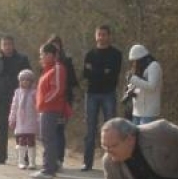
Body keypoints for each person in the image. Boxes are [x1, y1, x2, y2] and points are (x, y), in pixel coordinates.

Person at [81, 25, 122, 170]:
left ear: (109, 36)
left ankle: (112, 163)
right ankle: (87, 163)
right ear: (95, 36)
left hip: (108, 93)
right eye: (99, 34)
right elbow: (86, 75)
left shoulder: (116, 54)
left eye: (104, 34)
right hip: (91, 93)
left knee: (111, 128)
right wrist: (103, 71)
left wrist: (96, 71)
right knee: (90, 128)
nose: (101, 37)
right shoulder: (90, 54)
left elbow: (113, 75)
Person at [0, 35, 31, 164]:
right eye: (4, 44)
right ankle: (1, 155)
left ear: (13, 45)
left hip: (19, 98)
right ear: (1, 46)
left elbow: (29, 76)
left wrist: (26, 94)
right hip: (2, 98)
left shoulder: (22, 60)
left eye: (9, 44)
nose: (7, 47)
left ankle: (24, 157)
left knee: (21, 127)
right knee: (2, 127)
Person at [33, 42, 67, 179]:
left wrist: (45, 101)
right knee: (45, 138)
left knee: (49, 138)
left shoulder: (58, 68)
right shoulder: (48, 69)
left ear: (51, 55)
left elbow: (57, 89)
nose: (41, 57)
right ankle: (48, 167)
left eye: (43, 54)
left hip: (50, 109)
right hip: (45, 108)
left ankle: (48, 170)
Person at [46, 35, 78, 170]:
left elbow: (73, 81)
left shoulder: (67, 61)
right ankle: (50, 159)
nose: (55, 47)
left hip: (63, 100)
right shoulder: (45, 62)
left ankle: (59, 159)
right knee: (48, 131)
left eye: (57, 45)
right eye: (52, 44)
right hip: (48, 102)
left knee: (59, 130)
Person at [7, 69, 38, 170]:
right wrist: (12, 119)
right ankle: (21, 161)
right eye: (22, 80)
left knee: (31, 141)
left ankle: (32, 162)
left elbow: (38, 107)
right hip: (20, 121)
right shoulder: (17, 92)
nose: (25, 82)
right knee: (21, 141)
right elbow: (14, 106)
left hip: (31, 120)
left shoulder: (34, 93)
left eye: (27, 80)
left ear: (31, 81)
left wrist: (39, 119)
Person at [124, 44, 162, 125]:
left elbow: (152, 87)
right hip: (137, 111)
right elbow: (139, 86)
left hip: (148, 112)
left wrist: (133, 79)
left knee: (146, 136)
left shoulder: (154, 66)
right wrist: (130, 89)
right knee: (135, 137)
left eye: (135, 60)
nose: (134, 63)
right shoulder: (139, 67)